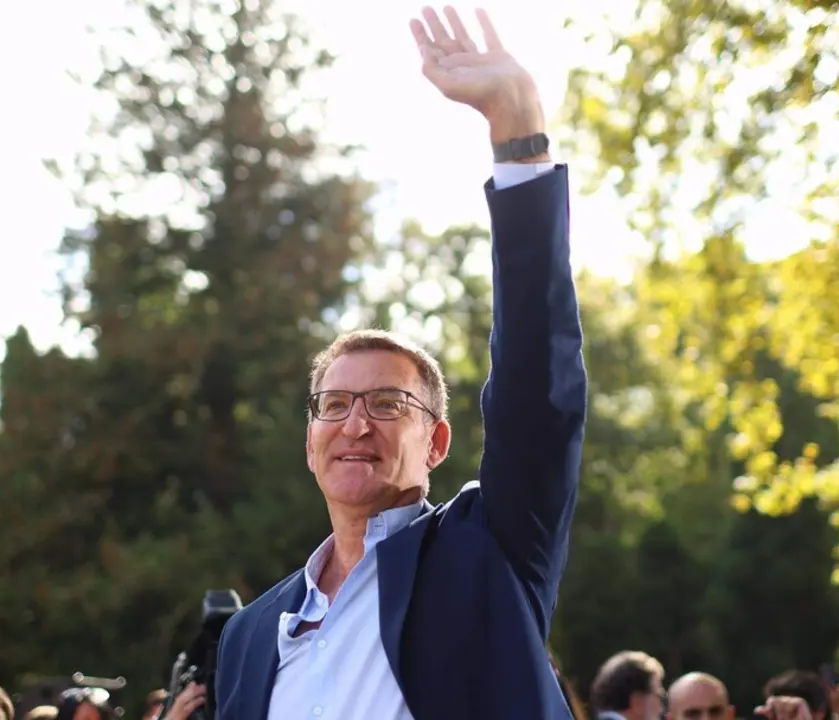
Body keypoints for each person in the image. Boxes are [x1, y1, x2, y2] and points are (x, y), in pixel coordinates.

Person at [213, 5, 586, 720]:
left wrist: (519, 139)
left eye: (388, 404)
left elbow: (537, 394)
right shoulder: (249, 635)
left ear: (436, 441)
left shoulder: (489, 554)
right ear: (310, 439)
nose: (357, 423)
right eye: (336, 404)